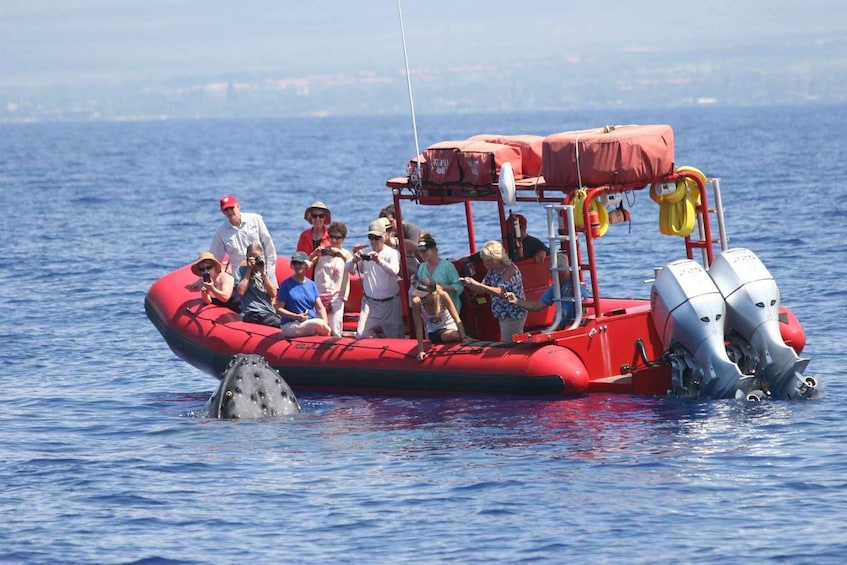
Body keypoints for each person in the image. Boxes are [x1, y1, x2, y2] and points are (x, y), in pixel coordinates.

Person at [460, 240, 527, 342]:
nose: (485, 264)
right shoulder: (492, 271)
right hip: (502, 315)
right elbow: (481, 289)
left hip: (513, 314)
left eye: (488, 261)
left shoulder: (511, 269)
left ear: (496, 258)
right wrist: (468, 284)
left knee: (509, 345)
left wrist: (477, 284)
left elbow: (501, 292)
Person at [348, 219, 404, 339]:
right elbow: (349, 269)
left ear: (384, 236)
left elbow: (394, 271)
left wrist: (379, 261)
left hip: (390, 304)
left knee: (395, 338)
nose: (373, 241)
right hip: (370, 303)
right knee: (361, 334)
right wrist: (354, 260)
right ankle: (377, 339)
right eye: (371, 237)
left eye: (377, 237)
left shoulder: (392, 253)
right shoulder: (364, 252)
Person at [505, 253, 589, 327]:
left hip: (572, 326)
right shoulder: (555, 288)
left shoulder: (576, 287)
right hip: (558, 326)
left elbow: (584, 310)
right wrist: (516, 301)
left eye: (553, 272)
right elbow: (537, 306)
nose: (552, 275)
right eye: (551, 272)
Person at [210, 194, 278, 286]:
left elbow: (268, 246)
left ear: (238, 206)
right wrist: (206, 277)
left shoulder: (256, 220)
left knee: (271, 297)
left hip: (262, 271)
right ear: (222, 211)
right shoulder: (221, 232)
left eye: (231, 208)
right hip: (240, 277)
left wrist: (269, 270)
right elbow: (215, 257)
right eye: (226, 209)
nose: (229, 212)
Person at [307, 221, 352, 337]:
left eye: (338, 237)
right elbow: (305, 266)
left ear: (343, 238)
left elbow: (353, 270)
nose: (334, 240)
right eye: (332, 237)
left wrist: (341, 255)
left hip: (337, 297)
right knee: (320, 329)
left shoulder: (346, 254)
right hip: (319, 296)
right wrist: (314, 254)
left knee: (335, 330)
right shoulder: (322, 252)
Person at [274, 252, 332, 338]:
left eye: (300, 263)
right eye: (295, 263)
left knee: (319, 323)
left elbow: (320, 308)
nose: (297, 266)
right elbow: (279, 309)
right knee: (317, 323)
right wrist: (296, 317)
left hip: (309, 321)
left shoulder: (311, 284)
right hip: (291, 324)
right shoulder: (286, 285)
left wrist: (325, 324)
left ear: (306, 264)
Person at [411, 278, 468, 362]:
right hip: (434, 331)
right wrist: (421, 350)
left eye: (424, 296)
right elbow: (418, 327)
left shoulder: (442, 296)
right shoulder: (416, 302)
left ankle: (465, 337)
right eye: (420, 295)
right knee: (453, 336)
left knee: (457, 334)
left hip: (451, 327)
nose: (421, 298)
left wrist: (464, 336)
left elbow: (456, 317)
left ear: (432, 293)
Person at [235, 242, 280, 327]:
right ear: (247, 257)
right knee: (280, 325)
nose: (254, 261)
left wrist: (263, 273)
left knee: (284, 322)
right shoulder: (241, 271)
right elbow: (241, 292)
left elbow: (273, 294)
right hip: (252, 312)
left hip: (268, 312)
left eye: (257, 258)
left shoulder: (268, 272)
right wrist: (249, 270)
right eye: (251, 257)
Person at [416, 232, 462, 313]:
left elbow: (459, 287)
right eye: (420, 251)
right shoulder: (421, 268)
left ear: (434, 249)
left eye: (424, 251)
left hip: (450, 311)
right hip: (430, 312)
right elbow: (420, 291)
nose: (422, 254)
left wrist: (439, 287)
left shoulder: (447, 266)